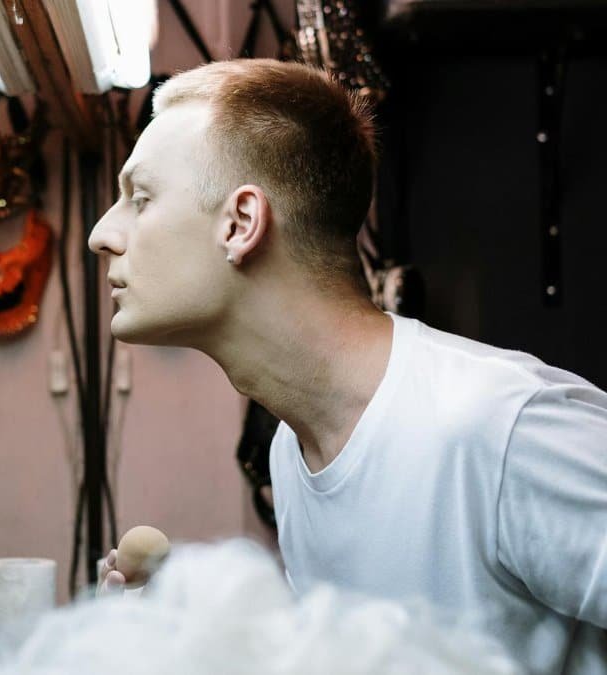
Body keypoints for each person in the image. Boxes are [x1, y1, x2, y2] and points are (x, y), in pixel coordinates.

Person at [88, 59, 606, 674]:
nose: (102, 234)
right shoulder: (295, 445)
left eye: (140, 199)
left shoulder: (498, 429)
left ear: (241, 223)